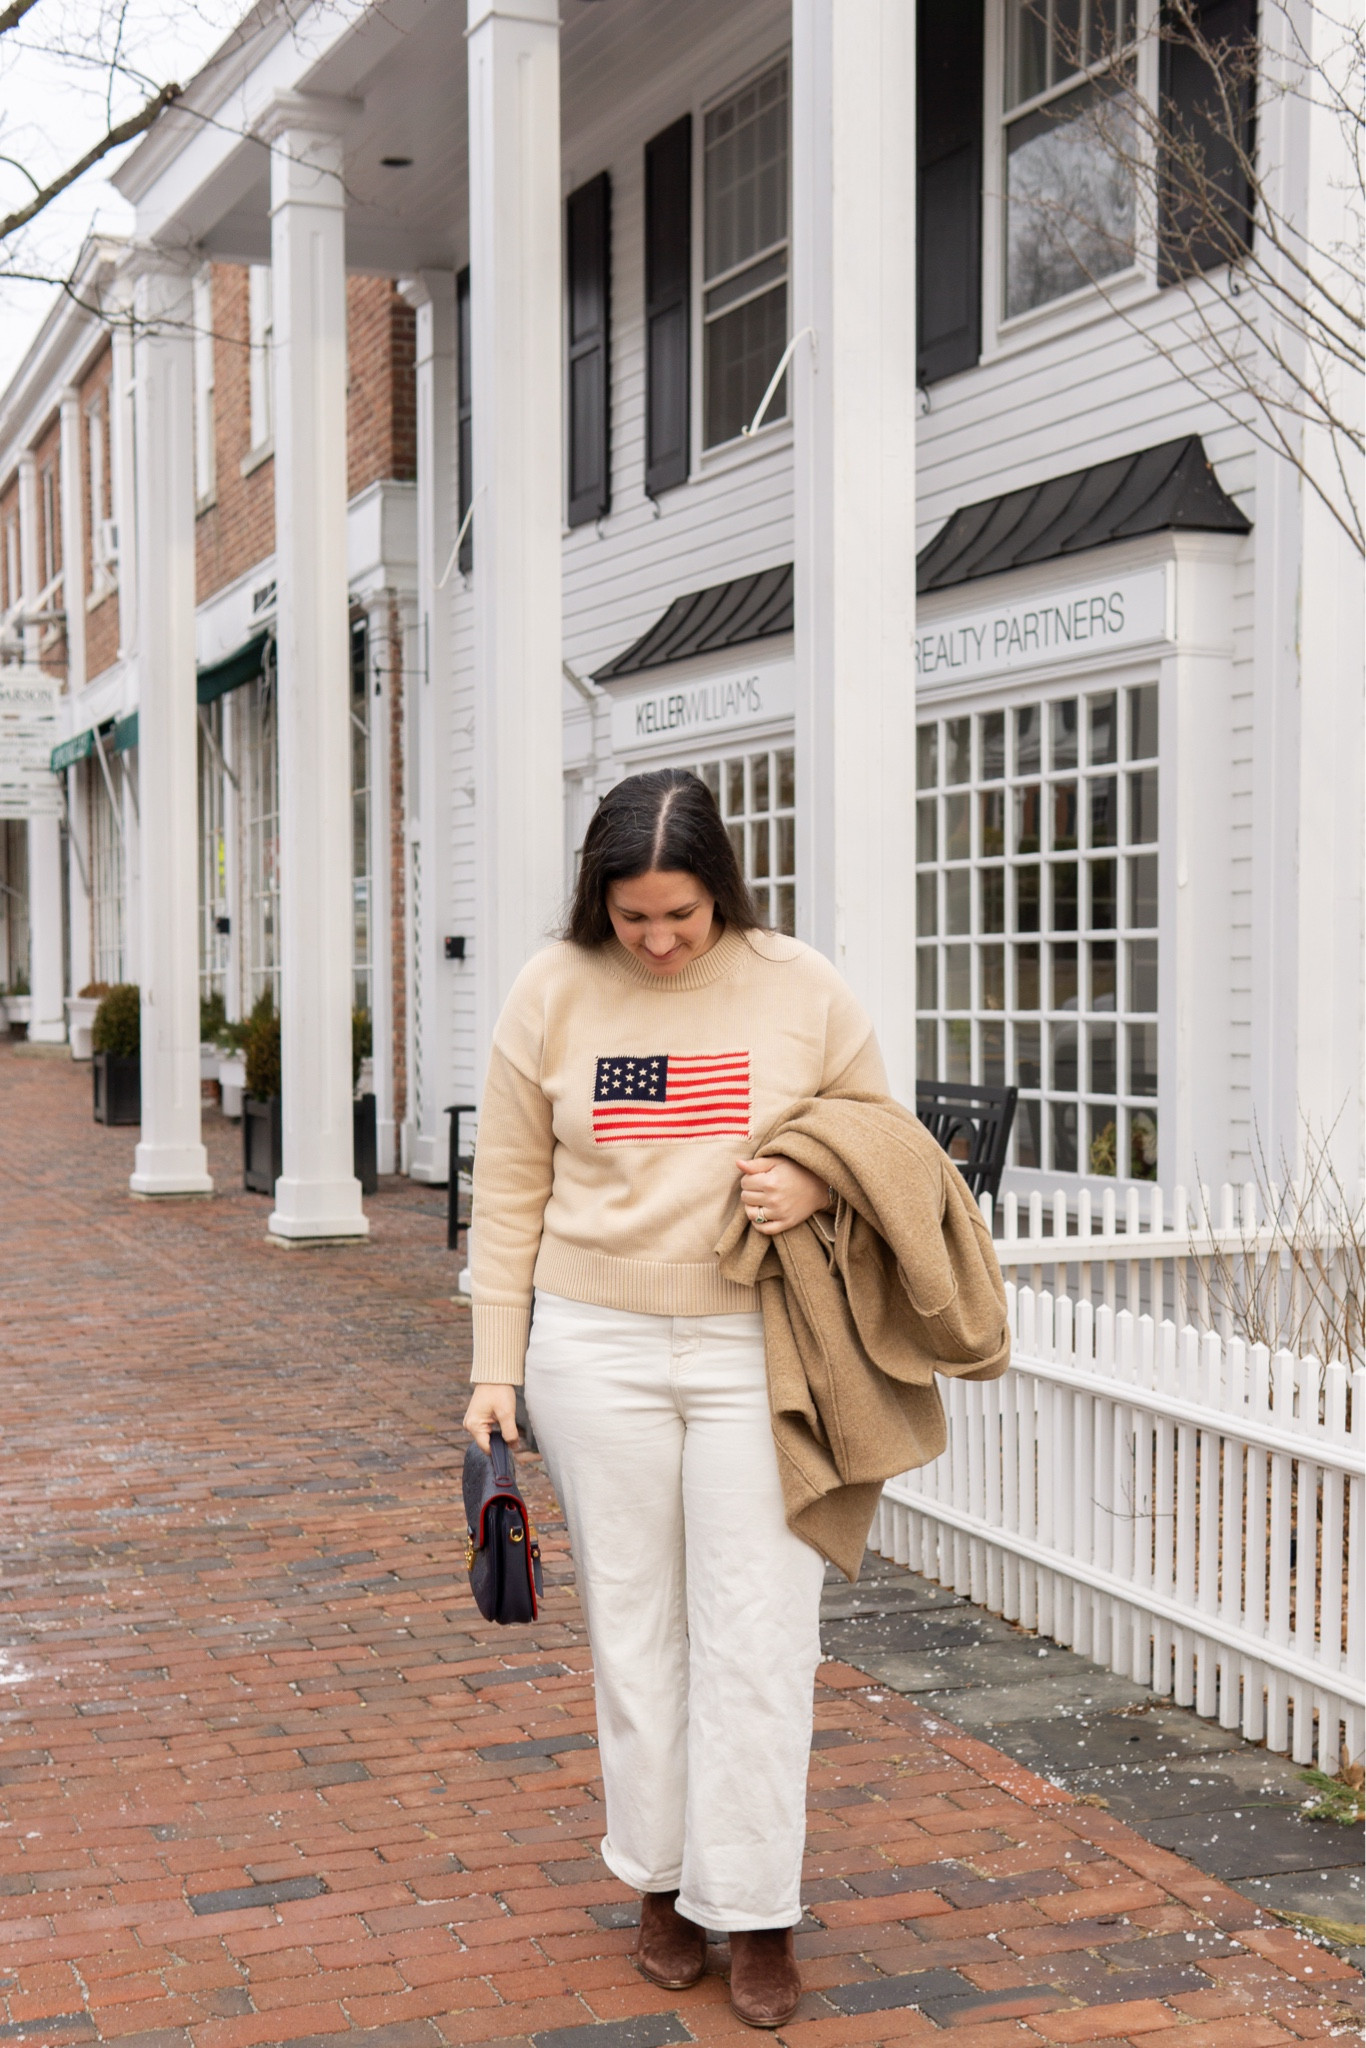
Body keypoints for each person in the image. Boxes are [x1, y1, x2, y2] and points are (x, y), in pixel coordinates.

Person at [462, 768, 888, 2029]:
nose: (655, 942)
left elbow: (882, 1133)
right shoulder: (549, 987)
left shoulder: (798, 984)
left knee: (760, 1631)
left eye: (681, 917)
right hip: (592, 1347)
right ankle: (657, 1880)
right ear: (599, 897)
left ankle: (754, 1906)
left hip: (758, 1343)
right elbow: (509, 1187)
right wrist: (496, 1362)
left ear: (723, 893)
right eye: (632, 916)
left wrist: (812, 1184)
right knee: (636, 1630)